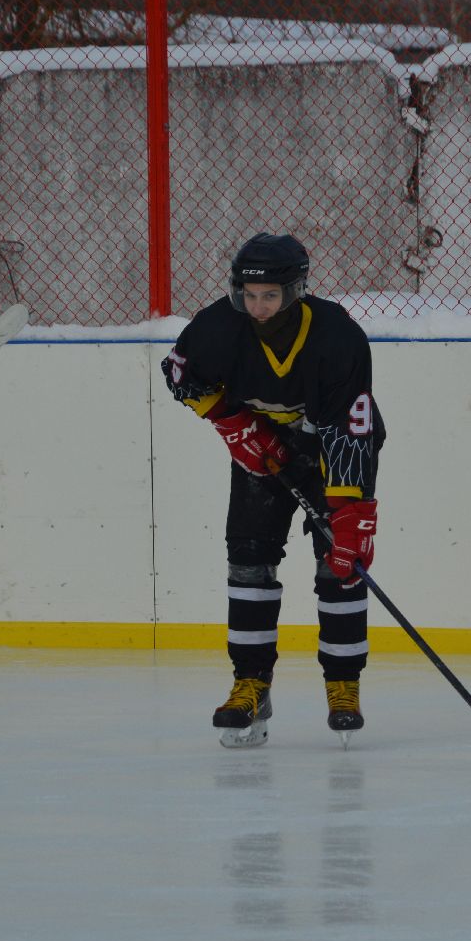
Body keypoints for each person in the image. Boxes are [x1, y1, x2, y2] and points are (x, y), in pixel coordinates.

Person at [162, 232, 385, 749]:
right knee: (248, 561)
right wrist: (234, 423)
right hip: (261, 453)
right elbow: (179, 375)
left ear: (296, 290)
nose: (257, 306)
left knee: (340, 563)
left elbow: (351, 427)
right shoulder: (219, 325)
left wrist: (353, 514)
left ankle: (343, 686)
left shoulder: (337, 336)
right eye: (248, 293)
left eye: (270, 295)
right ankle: (251, 685)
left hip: (332, 448)